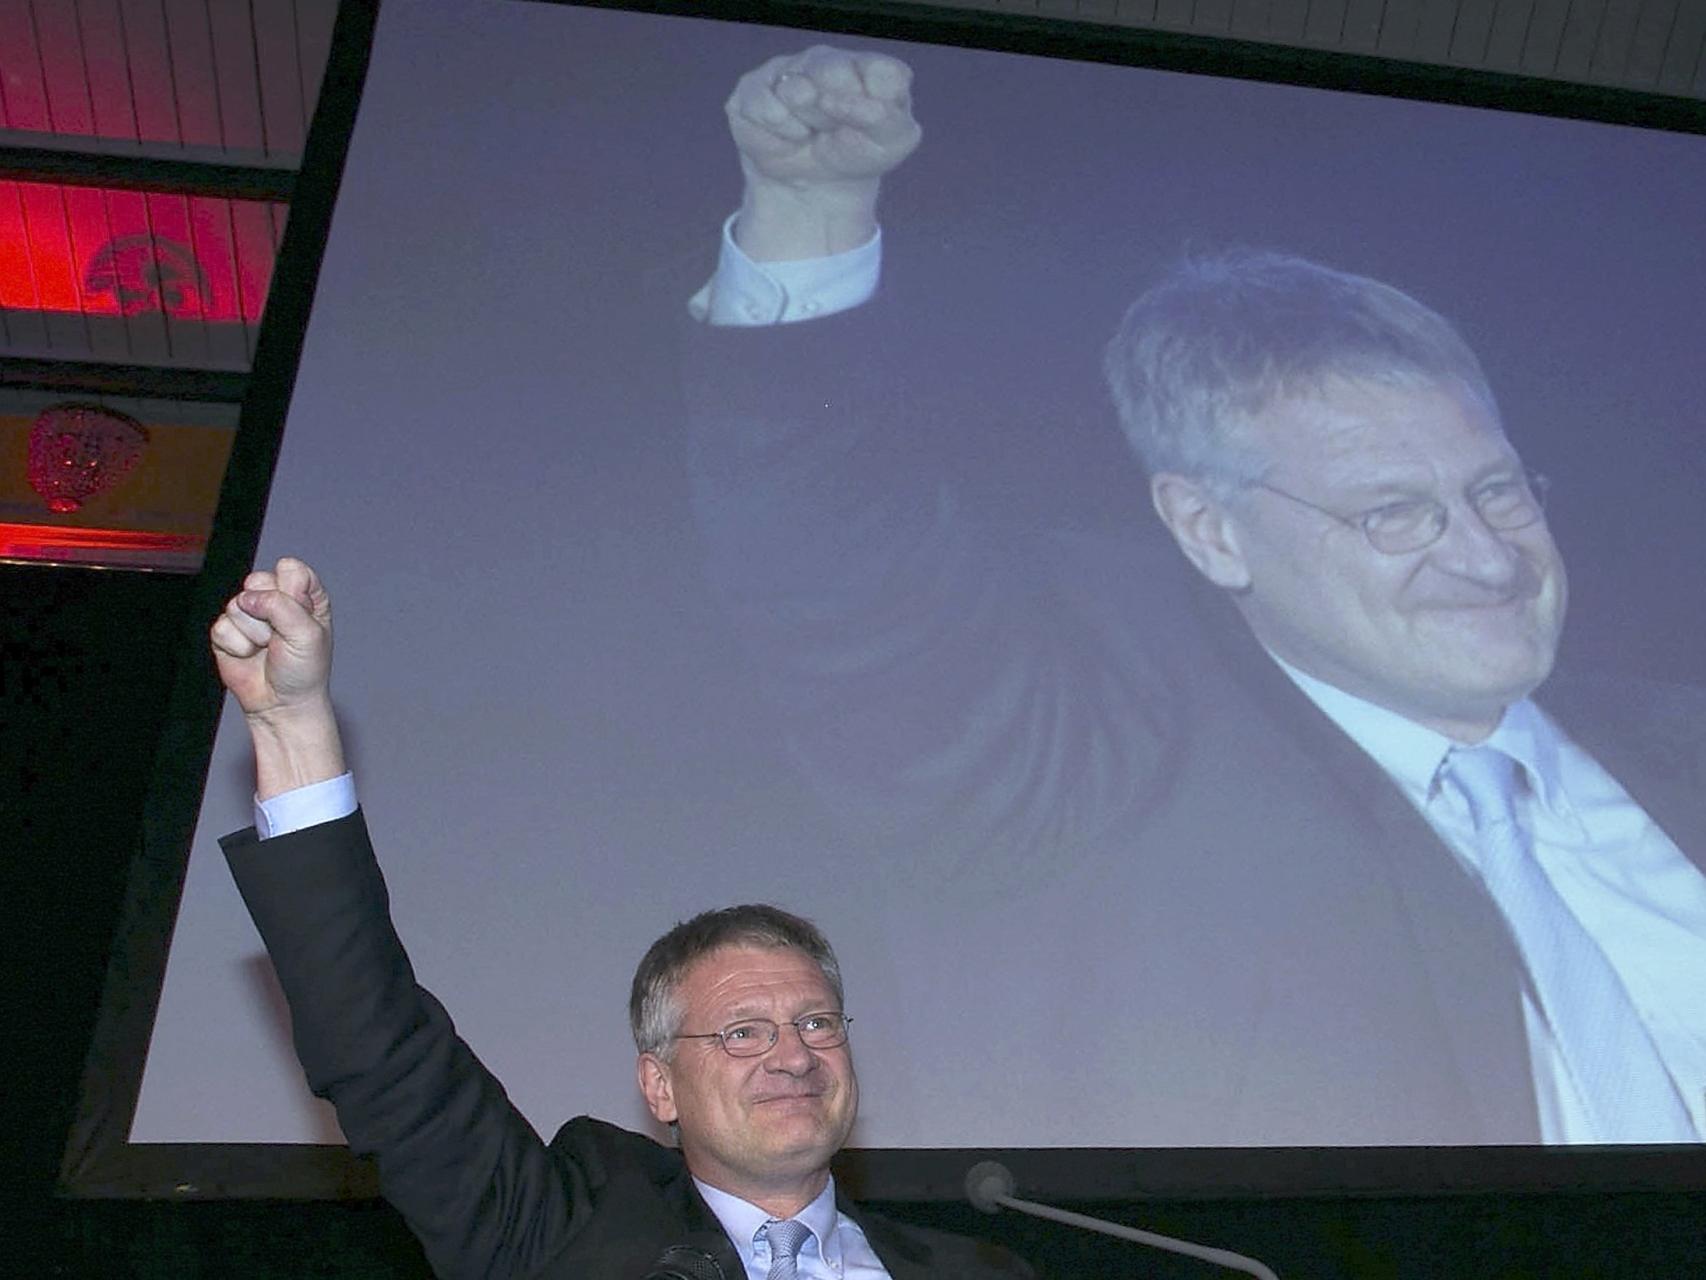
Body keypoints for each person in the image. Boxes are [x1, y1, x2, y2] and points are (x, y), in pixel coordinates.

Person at [679, 47, 1706, 1146]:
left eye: (1494, 490)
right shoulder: (1095, 769)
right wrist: (805, 215)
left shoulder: (1678, 744)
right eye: (1394, 513)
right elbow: (842, 580)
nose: (1487, 556)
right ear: (1210, 530)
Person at [209, 557, 1032, 1279]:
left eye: (816, 1023)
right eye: (743, 1032)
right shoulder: (564, 1237)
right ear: (658, 1085)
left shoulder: (983, 1270)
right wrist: (289, 724)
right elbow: (379, 1046)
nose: (794, 1056)